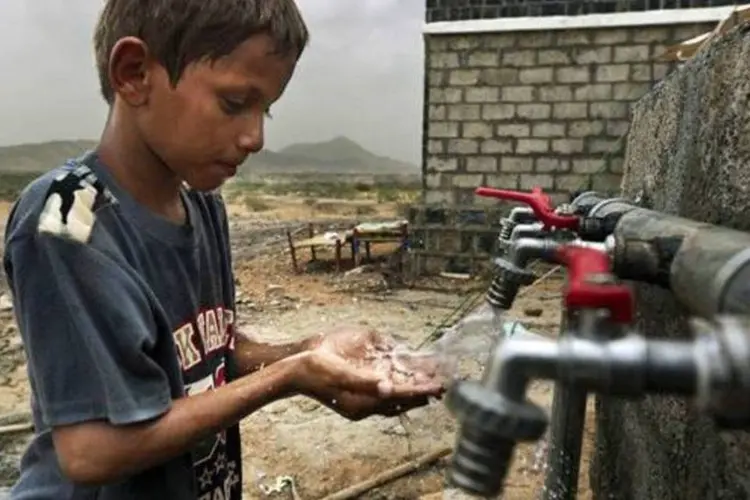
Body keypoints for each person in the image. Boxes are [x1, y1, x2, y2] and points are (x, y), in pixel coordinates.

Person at [1, 1, 444, 498]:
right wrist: (292, 376)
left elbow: (210, 352)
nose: (255, 137)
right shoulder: (69, 225)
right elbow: (92, 449)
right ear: (134, 74)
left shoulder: (201, 205)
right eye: (235, 103)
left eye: (265, 109)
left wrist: (310, 350)